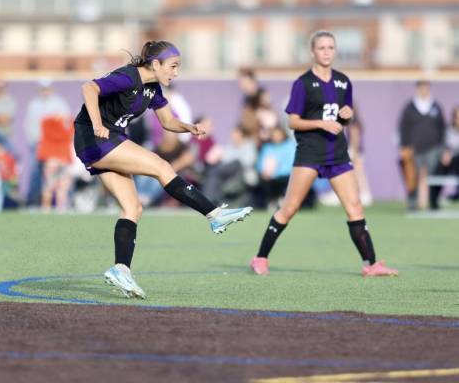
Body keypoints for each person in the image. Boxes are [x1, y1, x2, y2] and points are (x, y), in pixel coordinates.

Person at [73, 40, 252, 299]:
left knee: (133, 209)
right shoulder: (127, 77)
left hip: (108, 141)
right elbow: (88, 88)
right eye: (173, 66)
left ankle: (121, 269)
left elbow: (168, 121)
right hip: (96, 138)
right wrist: (98, 123)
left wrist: (189, 127)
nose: (176, 72)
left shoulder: (153, 89)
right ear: (155, 64)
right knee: (161, 166)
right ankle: (213, 214)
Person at [249, 30, 398, 278]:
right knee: (290, 208)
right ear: (312, 52)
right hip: (310, 152)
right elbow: (293, 122)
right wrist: (321, 124)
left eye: (330, 47)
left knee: (355, 207)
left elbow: (341, 118)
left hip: (337, 153)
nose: (327, 52)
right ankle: (260, 257)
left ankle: (370, 264)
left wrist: (345, 117)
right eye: (322, 48)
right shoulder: (303, 84)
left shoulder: (343, 81)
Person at [398, 81, 446, 210]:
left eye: (426, 88)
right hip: (414, 149)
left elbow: (442, 128)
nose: (424, 91)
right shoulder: (410, 107)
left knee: (434, 177)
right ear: (417, 89)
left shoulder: (435, 106)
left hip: (433, 149)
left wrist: (443, 148)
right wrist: (403, 146)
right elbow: (403, 127)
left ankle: (433, 202)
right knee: (412, 176)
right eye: (421, 88)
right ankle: (412, 203)